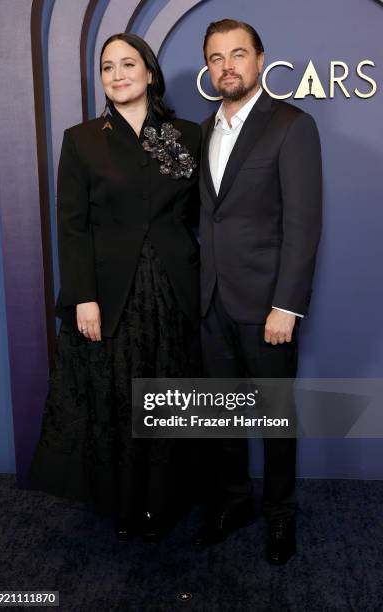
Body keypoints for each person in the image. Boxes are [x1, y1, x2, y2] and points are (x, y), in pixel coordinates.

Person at [28, 33, 201, 543]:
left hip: (173, 289)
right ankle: (126, 505)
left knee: (169, 395)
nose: (118, 74)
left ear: (150, 73)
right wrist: (83, 295)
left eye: (128, 64)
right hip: (110, 295)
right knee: (118, 400)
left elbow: (194, 216)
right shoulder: (82, 139)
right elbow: (73, 226)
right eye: (108, 67)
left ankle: (165, 499)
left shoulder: (185, 135)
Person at [195, 19, 322, 564]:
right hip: (212, 301)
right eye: (217, 56)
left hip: (269, 304)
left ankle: (280, 515)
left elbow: (303, 223)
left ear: (260, 61)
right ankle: (233, 503)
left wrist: (287, 304)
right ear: (208, 67)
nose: (227, 65)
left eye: (238, 54)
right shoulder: (205, 129)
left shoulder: (292, 125)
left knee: (274, 418)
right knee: (222, 416)